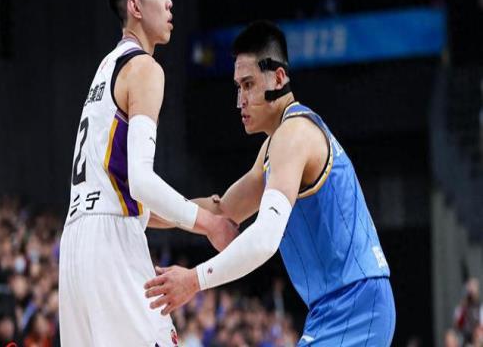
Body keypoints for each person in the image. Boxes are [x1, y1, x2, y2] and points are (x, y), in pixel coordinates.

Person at [145, 21, 396, 346]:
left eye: (248, 85)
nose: (240, 100)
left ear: (278, 78)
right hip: (336, 306)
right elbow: (221, 212)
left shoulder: (293, 135)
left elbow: (265, 238)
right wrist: (136, 213)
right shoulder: (275, 146)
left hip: (355, 302)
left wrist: (194, 280)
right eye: (238, 87)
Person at [58, 0, 238, 347]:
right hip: (111, 245)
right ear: (135, 7)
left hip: (74, 247)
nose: (170, 1)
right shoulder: (144, 68)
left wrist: (194, 210)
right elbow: (140, 182)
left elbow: (124, 195)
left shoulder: (104, 69)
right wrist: (208, 224)